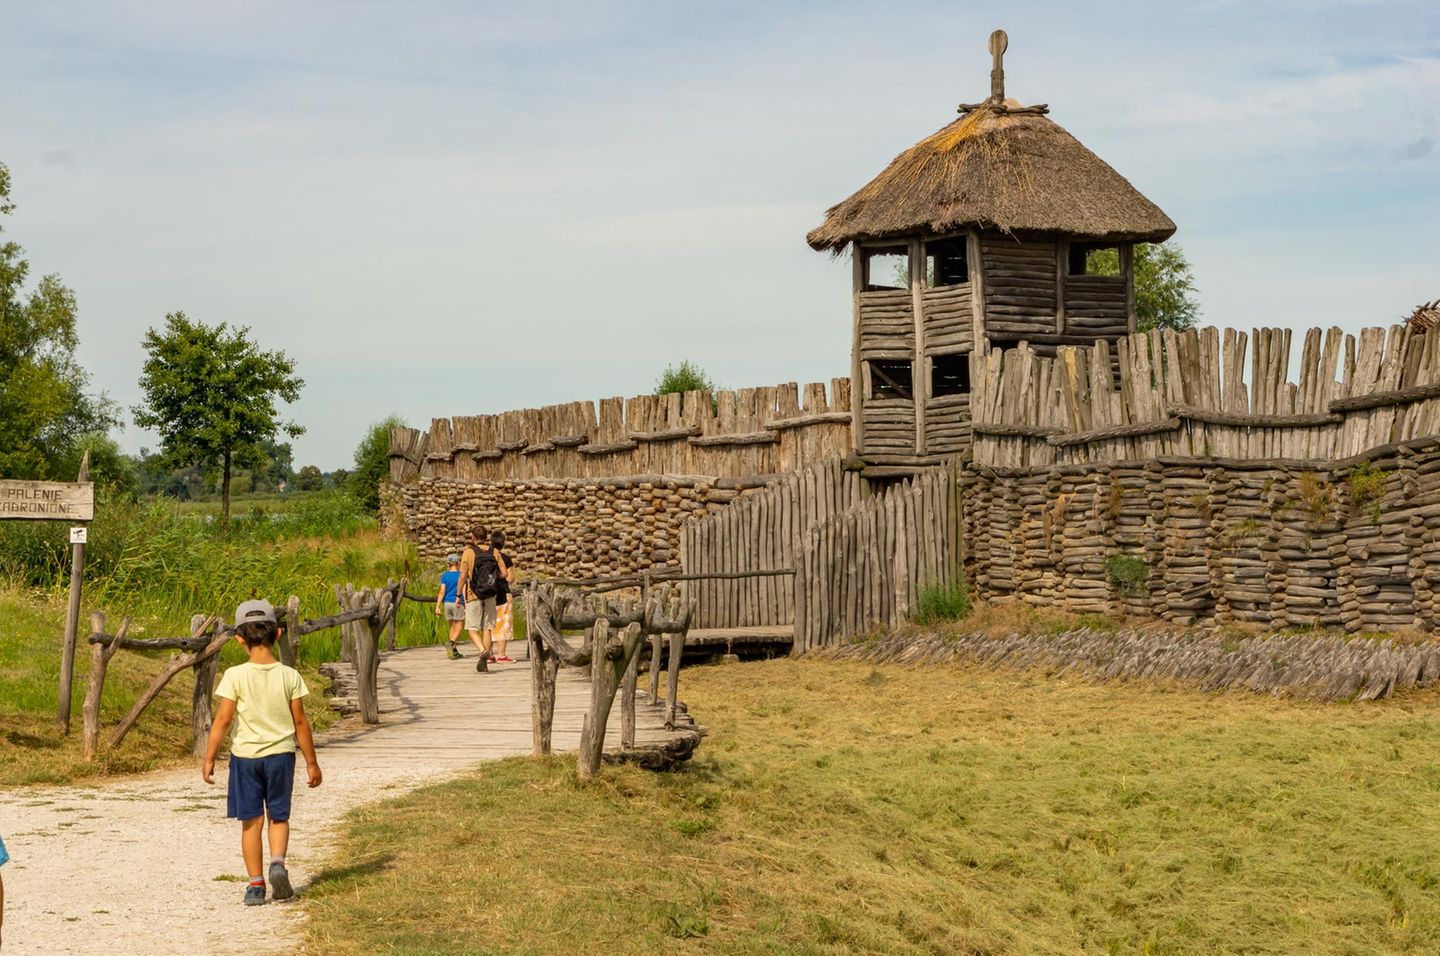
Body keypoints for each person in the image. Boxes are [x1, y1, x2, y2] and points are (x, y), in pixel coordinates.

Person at [203, 599, 323, 906]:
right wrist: (312, 763)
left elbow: (224, 720)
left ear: (239, 638)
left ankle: (256, 885)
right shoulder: (289, 676)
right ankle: (278, 864)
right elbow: (300, 722)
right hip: (282, 755)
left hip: (245, 758)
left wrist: (209, 758)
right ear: (278, 634)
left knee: (251, 822)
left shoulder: (235, 675)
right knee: (278, 817)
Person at [457, 523, 501, 673]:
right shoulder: (494, 552)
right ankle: (486, 662)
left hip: (473, 593)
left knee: (472, 628)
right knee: (487, 628)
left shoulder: (468, 552)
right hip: (490, 594)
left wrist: (458, 595)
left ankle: (482, 651)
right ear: (486, 537)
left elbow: (463, 576)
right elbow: (504, 574)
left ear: (472, 537)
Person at [490, 530, 517, 663]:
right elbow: (511, 578)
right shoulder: (505, 558)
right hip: (503, 593)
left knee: (488, 624)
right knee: (503, 624)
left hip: (487, 594)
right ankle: (501, 654)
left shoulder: (486, 556)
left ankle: (488, 654)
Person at [434, 552, 465, 660]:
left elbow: (442, 592)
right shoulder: (461, 575)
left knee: (452, 626)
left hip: (447, 603)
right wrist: (465, 604)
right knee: (460, 626)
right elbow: (464, 590)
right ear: (457, 563)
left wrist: (437, 606)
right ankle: (451, 643)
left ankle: (453, 651)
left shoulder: (445, 576)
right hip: (457, 602)